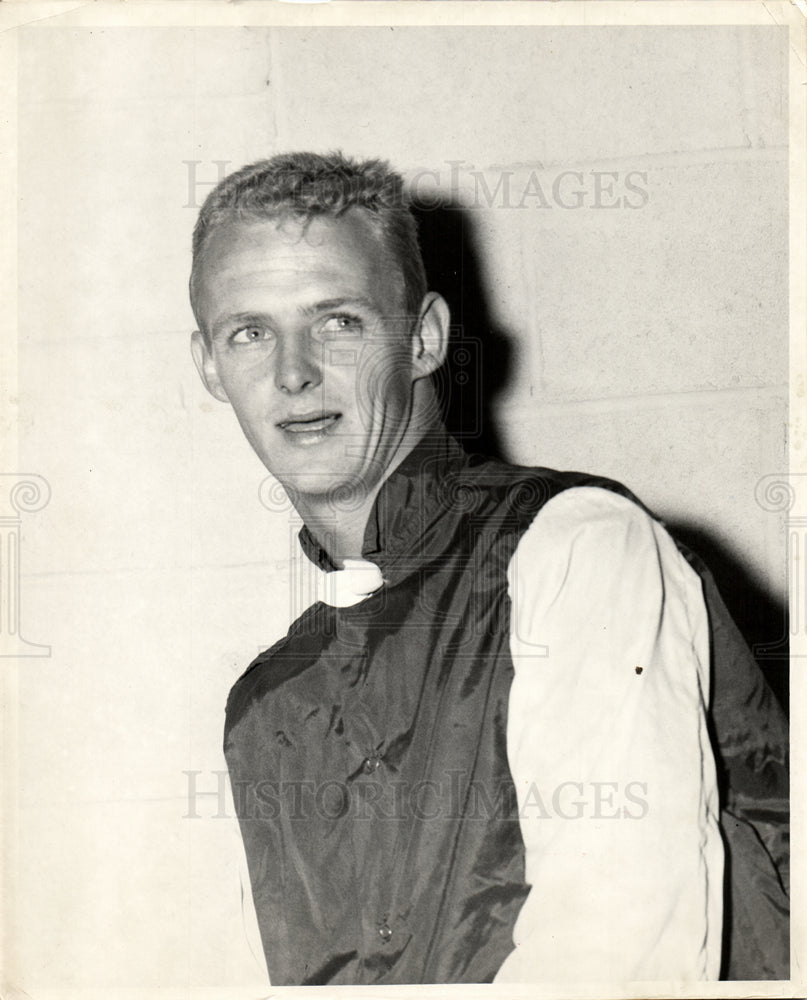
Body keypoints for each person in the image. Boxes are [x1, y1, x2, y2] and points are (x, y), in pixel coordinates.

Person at [189, 152, 789, 986]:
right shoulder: (267, 704)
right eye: (248, 333)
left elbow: (620, 953)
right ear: (209, 366)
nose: (292, 372)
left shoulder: (575, 546)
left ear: (425, 339)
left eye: (338, 322)